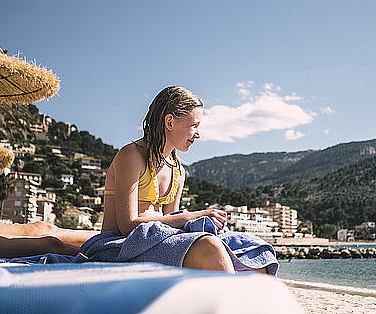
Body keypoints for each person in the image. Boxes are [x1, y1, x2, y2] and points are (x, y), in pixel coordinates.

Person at [101, 86, 276, 273]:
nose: (198, 134)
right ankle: (228, 300)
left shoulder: (178, 170)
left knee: (255, 249)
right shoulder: (132, 155)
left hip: (154, 241)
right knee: (210, 248)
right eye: (194, 125)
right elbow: (127, 226)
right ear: (170, 122)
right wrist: (193, 216)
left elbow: (171, 222)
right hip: (120, 245)